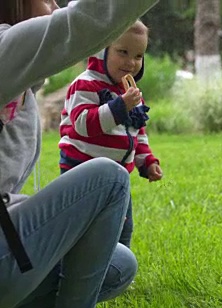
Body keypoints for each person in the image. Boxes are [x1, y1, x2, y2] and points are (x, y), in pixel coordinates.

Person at [0, 1, 158, 308]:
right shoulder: (2, 51)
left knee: (118, 264)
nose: (55, 6)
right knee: (109, 177)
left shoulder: (15, 75)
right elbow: (84, 22)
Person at [59, 20, 163, 249]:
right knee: (84, 231)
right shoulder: (86, 85)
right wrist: (119, 106)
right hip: (81, 175)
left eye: (138, 56)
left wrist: (147, 162)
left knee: (122, 228)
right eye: (123, 52)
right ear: (102, 49)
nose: (131, 62)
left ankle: (117, 274)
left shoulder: (131, 93)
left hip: (119, 179)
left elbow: (138, 133)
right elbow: (83, 125)